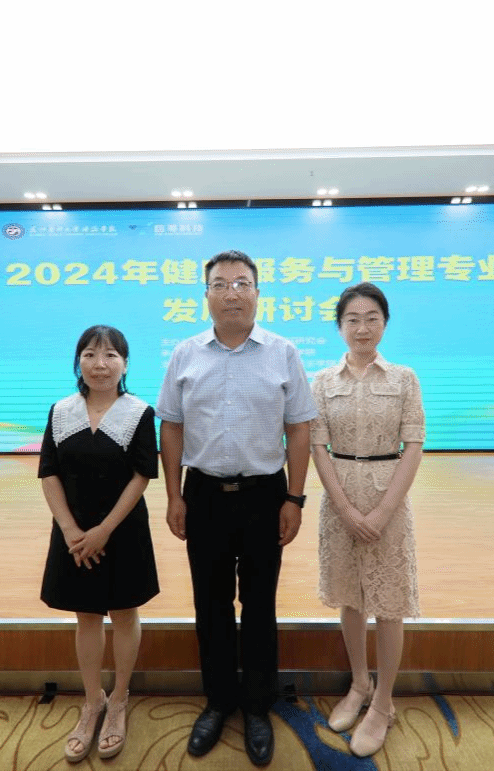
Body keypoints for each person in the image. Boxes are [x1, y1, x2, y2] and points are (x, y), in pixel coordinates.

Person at [157, 250, 317, 767]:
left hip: (264, 497)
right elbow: (171, 426)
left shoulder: (283, 352)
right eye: (221, 284)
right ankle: (219, 701)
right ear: (206, 295)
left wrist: (294, 498)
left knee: (260, 604)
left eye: (242, 283)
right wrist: (174, 495)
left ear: (257, 294)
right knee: (211, 604)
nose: (232, 293)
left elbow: (299, 429)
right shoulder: (185, 354)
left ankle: (257, 706)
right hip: (203, 495)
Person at [309, 282, 424, 758]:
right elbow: (318, 446)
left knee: (389, 602)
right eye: (352, 319)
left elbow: (413, 445)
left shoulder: (404, 378)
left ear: (385, 323)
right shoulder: (322, 381)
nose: (362, 327)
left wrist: (381, 511)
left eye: (372, 318)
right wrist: (346, 509)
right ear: (339, 326)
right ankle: (359, 684)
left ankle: (383, 702)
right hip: (339, 502)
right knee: (350, 597)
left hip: (387, 501)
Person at [37, 325, 159, 763]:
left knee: (124, 613)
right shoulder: (61, 411)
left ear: (125, 364)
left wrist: (104, 530)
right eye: (90, 354)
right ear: (78, 362)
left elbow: (142, 476)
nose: (100, 364)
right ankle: (93, 703)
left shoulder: (139, 413)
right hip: (72, 534)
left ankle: (119, 700)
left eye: (110, 355)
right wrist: (71, 530)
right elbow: (49, 472)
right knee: (86, 615)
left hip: (122, 531)